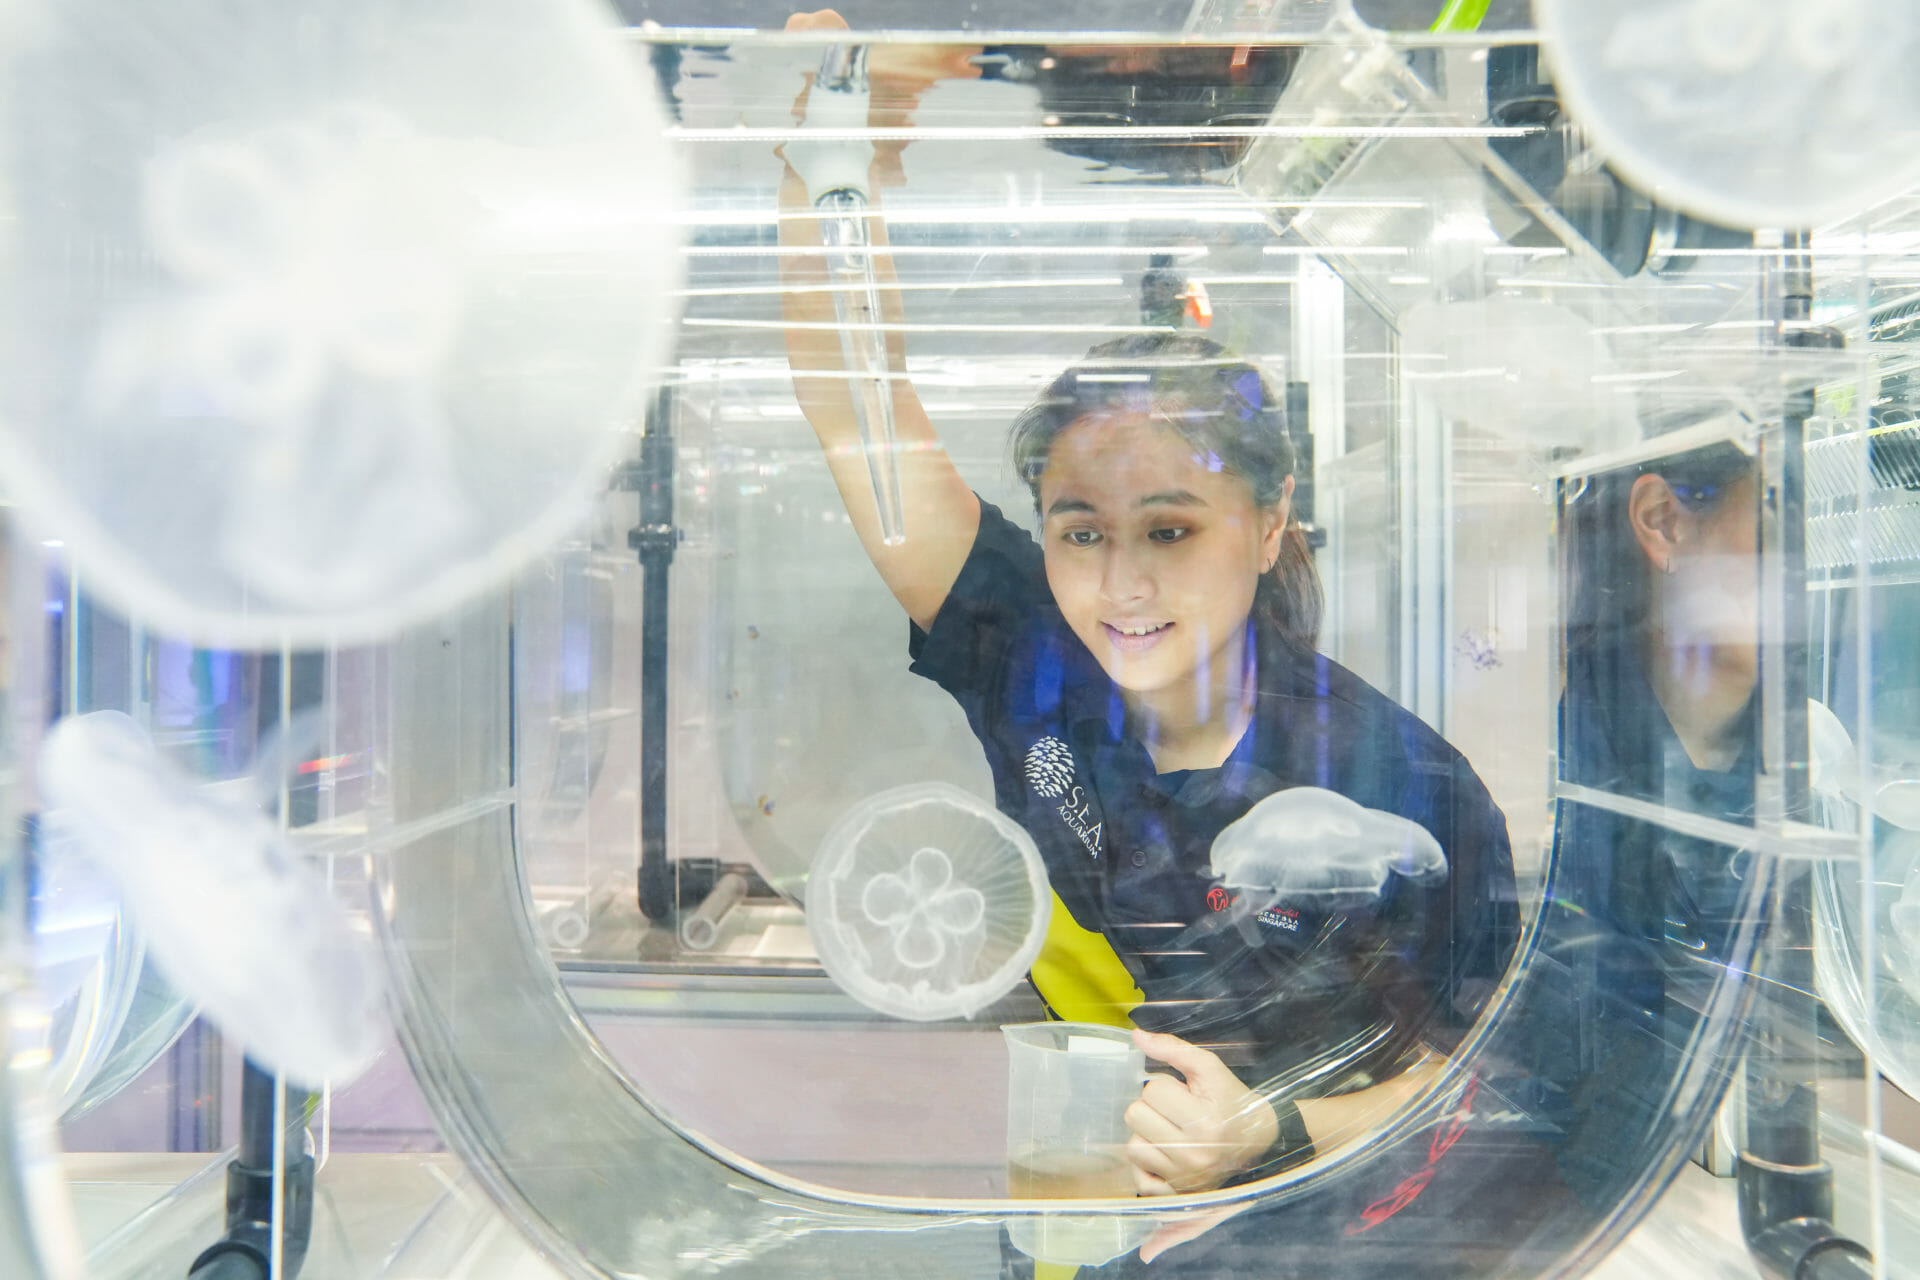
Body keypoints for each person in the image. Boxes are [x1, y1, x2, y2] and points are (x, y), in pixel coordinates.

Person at [778, 9, 1517, 1199]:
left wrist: (1268, 1135)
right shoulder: (1031, 647)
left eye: (1172, 528)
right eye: (1082, 531)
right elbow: (853, 405)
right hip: (1087, 1186)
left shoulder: (1399, 779)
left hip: (1322, 1225)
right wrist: (830, 150)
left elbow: (1473, 1065)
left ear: (1269, 526)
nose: (1121, 583)